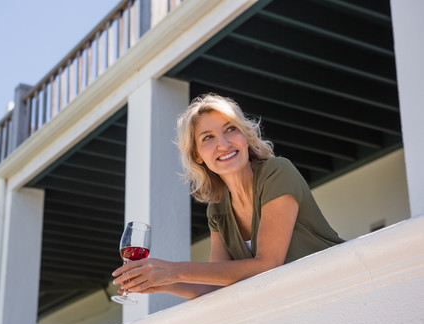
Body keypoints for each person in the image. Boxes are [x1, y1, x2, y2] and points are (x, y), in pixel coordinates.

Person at [112, 93, 344, 299]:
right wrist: (161, 283)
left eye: (230, 129)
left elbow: (268, 264)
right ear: (197, 155)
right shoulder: (218, 209)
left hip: (342, 289)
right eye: (208, 138)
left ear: (244, 135)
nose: (223, 144)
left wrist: (173, 270)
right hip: (301, 303)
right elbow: (217, 286)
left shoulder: (276, 172)